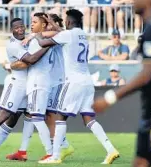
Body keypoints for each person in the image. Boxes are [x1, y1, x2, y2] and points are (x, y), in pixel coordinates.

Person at [35, 9, 119, 164]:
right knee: (89, 119)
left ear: (69, 22)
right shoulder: (82, 35)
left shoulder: (67, 35)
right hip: (87, 82)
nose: (65, 22)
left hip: (73, 82)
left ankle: (55, 156)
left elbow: (42, 42)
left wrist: (38, 32)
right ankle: (110, 149)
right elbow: (62, 32)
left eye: (66, 20)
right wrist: (53, 23)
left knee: (60, 117)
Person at [0, 17, 50, 163]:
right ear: (11, 30)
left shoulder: (28, 40)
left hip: (28, 85)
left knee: (15, 119)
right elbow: (30, 61)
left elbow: (28, 60)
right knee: (2, 116)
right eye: (16, 28)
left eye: (21, 27)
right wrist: (47, 47)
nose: (20, 30)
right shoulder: (13, 45)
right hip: (16, 84)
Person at [93, 0, 151, 166]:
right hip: (150, 111)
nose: (132, 1)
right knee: (141, 161)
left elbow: (147, 75)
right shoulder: (150, 28)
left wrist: (110, 98)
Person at [6, 13, 73, 162]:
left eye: (34, 22)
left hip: (38, 82)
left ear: (43, 25)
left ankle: (51, 152)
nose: (31, 25)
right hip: (38, 82)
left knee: (37, 118)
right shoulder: (39, 38)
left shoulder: (40, 39)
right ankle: (23, 151)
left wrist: (9, 65)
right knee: (32, 117)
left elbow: (31, 60)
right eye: (31, 21)